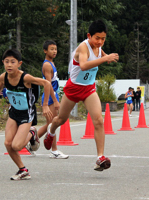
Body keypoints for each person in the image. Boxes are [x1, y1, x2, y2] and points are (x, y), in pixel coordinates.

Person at [44, 20, 119, 171]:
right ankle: (51, 131)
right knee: (61, 119)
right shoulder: (83, 47)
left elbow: (99, 54)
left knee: (98, 120)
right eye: (97, 38)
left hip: (89, 89)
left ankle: (100, 157)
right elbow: (84, 65)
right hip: (74, 88)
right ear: (89, 36)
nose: (100, 42)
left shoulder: (98, 47)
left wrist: (106, 55)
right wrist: (105, 58)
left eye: (103, 39)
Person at [0, 49, 53, 180]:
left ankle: (32, 133)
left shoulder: (26, 78)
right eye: (6, 62)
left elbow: (46, 83)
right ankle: (23, 170)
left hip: (27, 114)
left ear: (19, 63)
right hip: (13, 112)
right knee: (8, 143)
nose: (9, 65)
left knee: (17, 146)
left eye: (13, 62)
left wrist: (45, 104)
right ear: (3, 63)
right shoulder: (3, 77)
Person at [27, 40, 68, 159]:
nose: (54, 51)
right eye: (51, 49)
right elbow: (47, 84)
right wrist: (55, 100)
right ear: (45, 51)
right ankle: (54, 150)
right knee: (53, 124)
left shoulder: (52, 63)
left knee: (50, 124)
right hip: (50, 96)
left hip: (52, 95)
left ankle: (30, 141)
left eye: (55, 49)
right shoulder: (47, 65)